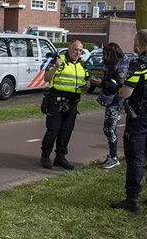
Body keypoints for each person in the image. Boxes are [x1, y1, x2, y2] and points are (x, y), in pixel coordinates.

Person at [111, 29, 147, 214]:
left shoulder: (139, 64)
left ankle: (132, 198)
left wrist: (119, 88)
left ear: (138, 44)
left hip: (140, 117)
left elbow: (126, 92)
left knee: (135, 157)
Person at [40, 40, 89, 170]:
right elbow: (47, 78)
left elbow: (87, 80)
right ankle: (45, 155)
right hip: (57, 101)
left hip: (73, 102)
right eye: (75, 49)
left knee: (66, 131)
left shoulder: (82, 64)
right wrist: (56, 66)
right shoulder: (59, 60)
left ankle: (60, 157)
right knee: (53, 129)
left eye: (80, 51)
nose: (78, 53)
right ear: (69, 49)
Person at [90, 42, 129, 169]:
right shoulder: (111, 64)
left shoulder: (121, 66)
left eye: (106, 54)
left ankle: (114, 157)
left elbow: (117, 85)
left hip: (117, 101)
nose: (104, 57)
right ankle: (113, 156)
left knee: (110, 129)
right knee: (109, 129)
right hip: (112, 100)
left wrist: (101, 83)